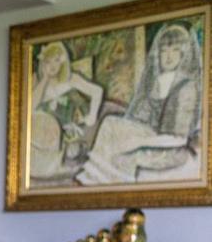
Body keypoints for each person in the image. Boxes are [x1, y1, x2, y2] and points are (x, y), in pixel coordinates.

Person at [75, 23, 201, 185]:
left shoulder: (186, 88)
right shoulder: (155, 83)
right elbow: (140, 119)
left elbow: (178, 138)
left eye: (175, 50)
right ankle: (93, 180)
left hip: (172, 147)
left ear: (184, 54)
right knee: (110, 123)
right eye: (164, 51)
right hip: (152, 136)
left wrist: (136, 142)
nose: (168, 56)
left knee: (123, 153)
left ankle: (109, 186)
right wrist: (130, 135)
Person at [29, 41, 103, 179]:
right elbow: (29, 108)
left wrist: (91, 117)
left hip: (64, 133)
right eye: (48, 62)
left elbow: (98, 91)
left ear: (63, 62)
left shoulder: (71, 79)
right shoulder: (38, 83)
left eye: (56, 61)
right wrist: (45, 79)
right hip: (41, 135)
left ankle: (52, 165)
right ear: (43, 64)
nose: (52, 66)